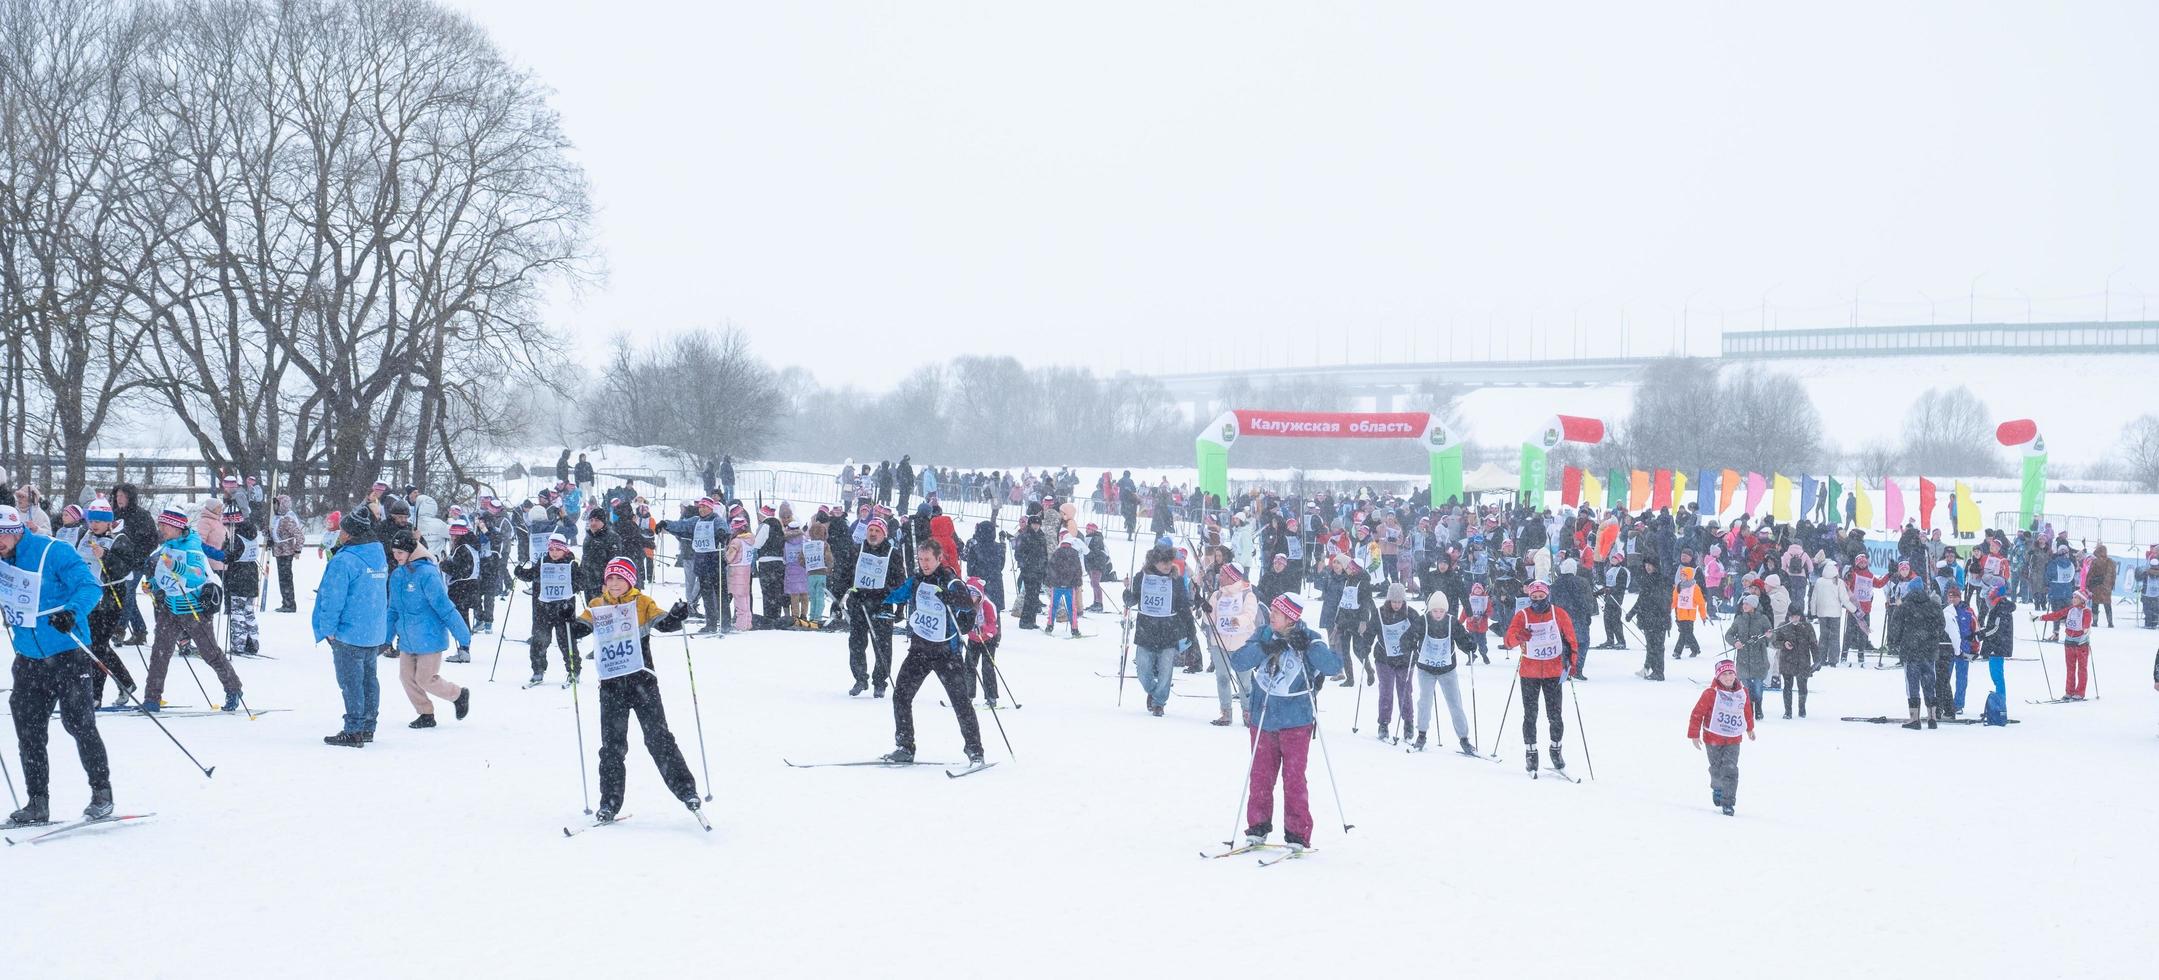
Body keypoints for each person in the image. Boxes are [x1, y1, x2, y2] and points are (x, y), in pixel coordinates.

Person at [1, 504, 115, 826]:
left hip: (68, 651)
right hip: (28, 658)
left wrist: (72, 612)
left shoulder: (53, 551)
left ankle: (101, 793)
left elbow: (90, 587)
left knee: (78, 724)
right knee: (29, 730)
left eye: (1, 536)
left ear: (16, 531)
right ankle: (37, 802)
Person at [574, 558, 700, 822]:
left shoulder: (642, 603)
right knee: (611, 747)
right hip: (611, 686)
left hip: (643, 682)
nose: (615, 583)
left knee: (659, 738)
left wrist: (677, 615)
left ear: (630, 580)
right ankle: (609, 802)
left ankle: (686, 791)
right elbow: (579, 629)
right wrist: (567, 618)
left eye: (620, 578)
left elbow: (665, 624)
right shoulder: (598, 605)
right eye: (610, 579)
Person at [1230, 595, 1342, 853]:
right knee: (1260, 776)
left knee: (1294, 779)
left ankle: (1297, 833)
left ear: (1291, 617)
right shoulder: (1264, 634)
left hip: (1296, 721)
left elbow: (1333, 666)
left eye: (1278, 614)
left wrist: (1309, 648)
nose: (1272, 617)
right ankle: (1257, 827)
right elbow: (1239, 661)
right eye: (1272, 612)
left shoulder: (1308, 637)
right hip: (1264, 718)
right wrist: (1264, 647)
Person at [875, 540, 985, 767]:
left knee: (960, 702)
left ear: (938, 559)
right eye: (921, 559)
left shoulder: (950, 580)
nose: (924, 564)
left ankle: (975, 751)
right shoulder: (916, 581)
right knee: (901, 695)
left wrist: (951, 597)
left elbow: (969, 603)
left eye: (928, 559)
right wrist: (873, 597)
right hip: (919, 650)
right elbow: (897, 595)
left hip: (947, 653)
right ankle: (905, 746)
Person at [143, 506, 245, 714]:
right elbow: (160, 574)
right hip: (170, 607)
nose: (161, 528)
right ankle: (152, 698)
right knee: (159, 653)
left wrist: (177, 567)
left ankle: (233, 688)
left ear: (177, 527)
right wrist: (152, 586)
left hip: (194, 608)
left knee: (210, 653)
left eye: (165, 525)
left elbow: (197, 575)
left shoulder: (192, 545)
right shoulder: (166, 546)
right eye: (160, 524)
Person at [313, 508, 390, 746]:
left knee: (351, 682)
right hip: (373, 630)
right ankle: (367, 726)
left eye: (343, 531)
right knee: (369, 680)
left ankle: (353, 729)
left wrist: (328, 628)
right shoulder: (378, 553)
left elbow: (332, 598)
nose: (340, 534)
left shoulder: (345, 560)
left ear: (350, 534)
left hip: (349, 631)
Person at [383, 529, 473, 729]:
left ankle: (458, 695)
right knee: (407, 678)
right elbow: (393, 610)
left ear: (410, 551)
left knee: (425, 679)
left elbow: (444, 607)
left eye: (400, 552)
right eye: (394, 552)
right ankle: (425, 714)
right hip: (407, 638)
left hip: (429, 637)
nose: (396, 556)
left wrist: (462, 635)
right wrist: (386, 638)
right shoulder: (397, 575)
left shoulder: (427, 573)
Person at [1502, 580, 1579, 775]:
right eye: (1534, 597)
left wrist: (1572, 663)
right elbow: (1508, 641)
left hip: (1553, 673)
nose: (1537, 600)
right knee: (1530, 715)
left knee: (1555, 715)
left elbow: (1571, 639)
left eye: (1541, 597)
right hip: (1529, 673)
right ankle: (1531, 753)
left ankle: (1556, 749)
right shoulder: (1523, 615)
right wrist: (1520, 636)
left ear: (1547, 596)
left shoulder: (1559, 613)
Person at [1123, 545, 1197, 717]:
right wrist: (1127, 591)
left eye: (1169, 561)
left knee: (1165, 670)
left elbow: (1184, 607)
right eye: (1163, 562)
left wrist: (1190, 629)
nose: (1167, 565)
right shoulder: (1142, 577)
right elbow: (1132, 600)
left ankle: (1159, 702)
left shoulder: (1176, 580)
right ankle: (1153, 691)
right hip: (1146, 630)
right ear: (1154, 561)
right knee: (1143, 670)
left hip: (1168, 630)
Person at [1402, 590, 1478, 753]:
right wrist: (1409, 642)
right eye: (1435, 611)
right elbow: (1406, 639)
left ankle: (1464, 739)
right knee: (1425, 702)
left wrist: (1470, 645)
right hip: (1426, 669)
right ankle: (1421, 735)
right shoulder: (1422, 621)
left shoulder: (1452, 622)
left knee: (1455, 703)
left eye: (1441, 611)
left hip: (1447, 670)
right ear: (1430, 610)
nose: (1438, 614)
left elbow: (1463, 639)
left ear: (1446, 610)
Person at [515, 533, 587, 687]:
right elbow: (532, 575)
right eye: (551, 549)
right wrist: (520, 572)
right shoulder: (543, 561)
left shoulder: (572, 563)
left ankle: (574, 671)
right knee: (539, 640)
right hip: (543, 608)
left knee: (566, 641)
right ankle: (538, 670)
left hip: (564, 609)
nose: (554, 552)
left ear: (565, 550)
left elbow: (581, 581)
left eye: (558, 549)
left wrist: (575, 585)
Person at [1686, 658, 1755, 816]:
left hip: (1733, 739)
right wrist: (1694, 735)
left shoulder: (1742, 693)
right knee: (1716, 769)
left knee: (1731, 770)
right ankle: (1717, 787)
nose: (1728, 677)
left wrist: (1750, 728)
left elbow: (1746, 711)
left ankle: (1728, 802)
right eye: (1724, 674)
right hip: (1713, 739)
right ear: (1718, 677)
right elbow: (1697, 714)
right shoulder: (1711, 694)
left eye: (1731, 674)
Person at [844, 516, 903, 697]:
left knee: (883, 646)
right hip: (860, 603)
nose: (873, 534)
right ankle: (860, 678)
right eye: (871, 530)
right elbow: (845, 575)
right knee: (856, 643)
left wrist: (899, 606)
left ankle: (880, 682)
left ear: (884, 534)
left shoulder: (893, 553)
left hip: (882, 604)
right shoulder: (857, 550)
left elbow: (900, 581)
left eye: (877, 531)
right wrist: (844, 597)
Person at [1203, 560, 1259, 727]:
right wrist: (1206, 610)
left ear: (1233, 577)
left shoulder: (1247, 595)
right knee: (1222, 678)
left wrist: (1237, 621)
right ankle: (1226, 712)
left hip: (1242, 644)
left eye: (1225, 574)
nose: (1221, 577)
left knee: (1245, 681)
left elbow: (1250, 616)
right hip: (1219, 643)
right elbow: (1209, 621)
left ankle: (1248, 711)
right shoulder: (1217, 595)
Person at [1891, 579, 1944, 728]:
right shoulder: (1934, 606)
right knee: (1930, 684)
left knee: (1912, 685)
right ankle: (1932, 718)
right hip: (1929, 652)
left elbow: (1895, 629)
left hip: (1911, 651)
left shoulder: (1904, 607)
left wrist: (1895, 642)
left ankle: (1914, 719)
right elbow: (1941, 626)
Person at [1371, 583, 1417, 741]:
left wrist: (1415, 645)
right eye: (1394, 601)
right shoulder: (1379, 613)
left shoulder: (1411, 614)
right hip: (1384, 658)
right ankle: (1383, 723)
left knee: (1405, 692)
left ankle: (1408, 722)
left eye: (1400, 602)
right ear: (1389, 600)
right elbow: (1371, 631)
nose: (1397, 605)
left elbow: (1419, 633)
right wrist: (1363, 645)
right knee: (1386, 691)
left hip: (1404, 660)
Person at [2036, 590, 2095, 700]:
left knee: (2082, 669)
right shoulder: (2070, 610)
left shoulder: (2086, 611)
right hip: (2069, 643)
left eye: (2076, 598)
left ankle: (2080, 692)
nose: (2073, 600)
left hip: (2081, 644)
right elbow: (2056, 615)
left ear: (2082, 600)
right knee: (2070, 668)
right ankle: (2069, 691)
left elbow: (2087, 621)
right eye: (2073, 597)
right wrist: (2040, 618)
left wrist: (2086, 628)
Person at [1974, 582, 2016, 722]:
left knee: (1998, 677)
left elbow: (1995, 628)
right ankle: (1999, 703)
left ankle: (2000, 704)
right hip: (1996, 645)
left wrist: (1981, 635)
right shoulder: (1999, 607)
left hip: (1998, 646)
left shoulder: (2001, 608)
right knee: (1996, 677)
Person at [1626, 555, 1671, 680]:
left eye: (1650, 565)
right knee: (1651, 645)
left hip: (1658, 618)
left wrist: (1658, 609)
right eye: (1646, 565)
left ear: (1656, 566)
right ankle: (1647, 669)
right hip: (1649, 618)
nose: (1648, 567)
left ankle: (1658, 672)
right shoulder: (1647, 579)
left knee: (1656, 646)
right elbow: (1642, 599)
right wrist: (1632, 613)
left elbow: (1664, 600)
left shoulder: (1662, 580)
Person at [961, 577, 1002, 707]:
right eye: (969, 593)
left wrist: (984, 631)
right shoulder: (965, 605)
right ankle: (968, 695)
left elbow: (993, 624)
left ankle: (991, 697)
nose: (972, 597)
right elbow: (962, 622)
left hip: (988, 639)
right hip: (973, 639)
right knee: (969, 666)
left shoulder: (988, 605)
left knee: (987, 667)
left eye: (975, 594)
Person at [1730, 594, 1772, 720]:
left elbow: (1772, 635)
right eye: (1743, 604)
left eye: (1747, 604)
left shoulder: (1763, 619)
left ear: (1753, 605)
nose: (1744, 606)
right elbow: (1729, 635)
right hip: (1743, 660)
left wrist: (1770, 635)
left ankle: (1758, 708)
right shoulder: (1739, 619)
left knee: (1758, 689)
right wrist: (1735, 642)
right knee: (1746, 690)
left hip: (1759, 660)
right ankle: (1749, 711)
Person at [1772, 608, 1815, 719]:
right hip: (1787, 661)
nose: (1795, 619)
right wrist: (1783, 644)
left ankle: (1802, 709)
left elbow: (1813, 644)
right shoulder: (1783, 626)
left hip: (1803, 661)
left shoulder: (1807, 627)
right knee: (1787, 687)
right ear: (1789, 617)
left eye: (1797, 616)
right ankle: (1788, 711)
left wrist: (1817, 660)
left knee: (1803, 687)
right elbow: (1775, 642)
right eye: (1792, 616)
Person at [269, 495, 305, 613]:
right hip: (279, 551)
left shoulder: (287, 519)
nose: (275, 506)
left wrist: (297, 550)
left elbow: (299, 536)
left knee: (286, 579)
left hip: (286, 552)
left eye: (277, 504)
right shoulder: (277, 518)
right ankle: (285, 602)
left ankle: (289, 604)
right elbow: (274, 531)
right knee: (283, 579)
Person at [1045, 534, 1084, 637]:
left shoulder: (1056, 553)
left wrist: (1049, 581)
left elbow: (1050, 568)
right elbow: (1078, 570)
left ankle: (1049, 625)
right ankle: (1074, 629)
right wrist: (1077, 582)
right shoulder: (1074, 554)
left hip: (1057, 585)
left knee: (1053, 606)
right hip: (1069, 586)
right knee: (1072, 608)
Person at [1594, 549, 1630, 649]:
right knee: (1607, 619)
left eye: (1616, 559)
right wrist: (1598, 593)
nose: (1613, 560)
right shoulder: (1610, 570)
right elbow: (1606, 586)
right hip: (1608, 598)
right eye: (1613, 558)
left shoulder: (1622, 571)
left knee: (1615, 620)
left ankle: (1621, 641)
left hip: (1616, 599)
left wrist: (1611, 590)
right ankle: (1610, 640)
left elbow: (1621, 586)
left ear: (1620, 561)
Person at [1670, 566, 1707, 660]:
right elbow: (1674, 600)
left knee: (1683, 633)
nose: (1682, 577)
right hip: (1680, 614)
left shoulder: (1695, 588)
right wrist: (1667, 609)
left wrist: (1703, 616)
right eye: (1681, 575)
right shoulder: (1678, 586)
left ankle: (1677, 652)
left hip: (1690, 615)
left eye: (1684, 575)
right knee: (1688, 633)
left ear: (1690, 576)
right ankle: (1695, 649)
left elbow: (1701, 602)